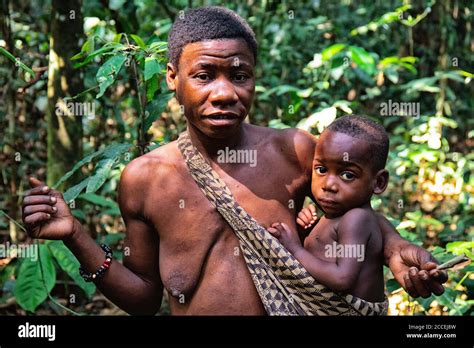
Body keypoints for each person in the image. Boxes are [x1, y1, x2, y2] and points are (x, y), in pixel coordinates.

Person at [22, 6, 446, 315]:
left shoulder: (294, 151)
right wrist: (75, 235)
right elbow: (145, 298)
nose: (225, 93)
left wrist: (397, 251)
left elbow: (358, 205)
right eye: (204, 75)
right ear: (173, 77)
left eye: (239, 75)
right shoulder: (144, 180)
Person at [268, 115, 391, 306]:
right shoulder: (335, 217)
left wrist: (294, 249)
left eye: (347, 175)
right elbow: (322, 255)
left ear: (379, 182)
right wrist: (305, 233)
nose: (329, 185)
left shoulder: (356, 218)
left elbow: (342, 278)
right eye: (321, 170)